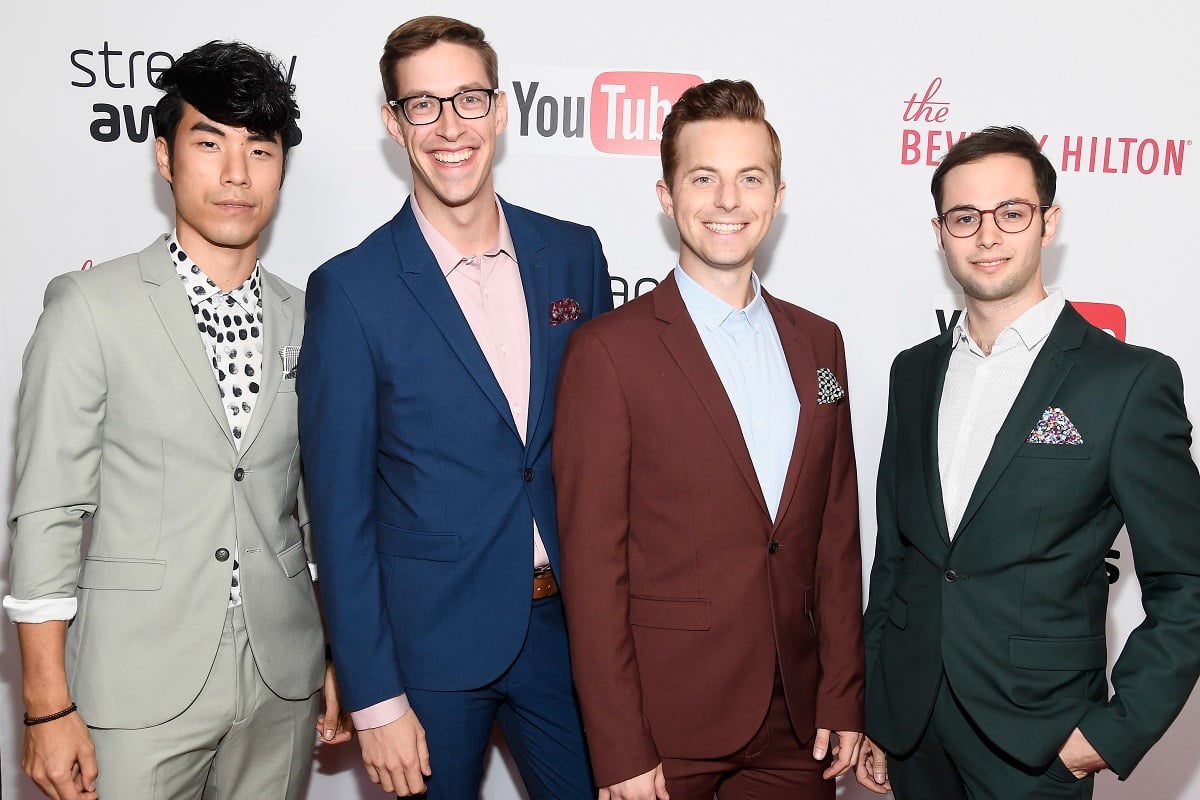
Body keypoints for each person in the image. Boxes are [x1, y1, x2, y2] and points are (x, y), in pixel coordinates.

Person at [6, 40, 349, 800]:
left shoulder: (311, 315)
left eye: (259, 150)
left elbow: (315, 507)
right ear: (165, 158)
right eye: (208, 144)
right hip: (134, 686)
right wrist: (43, 703)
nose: (236, 174)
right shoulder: (89, 307)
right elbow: (47, 513)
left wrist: (334, 652)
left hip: (280, 678)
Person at [296, 15, 613, 799]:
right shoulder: (353, 288)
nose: (449, 128)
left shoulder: (574, 253)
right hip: (426, 652)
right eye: (423, 105)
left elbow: (605, 456)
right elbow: (340, 515)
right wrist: (371, 695)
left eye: (468, 100)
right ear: (393, 124)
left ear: (501, 111)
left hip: (569, 634)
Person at [857, 125, 1200, 799]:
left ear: (1048, 223)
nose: (988, 236)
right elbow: (896, 557)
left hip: (1037, 747)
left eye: (1011, 213)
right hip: (912, 731)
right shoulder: (913, 373)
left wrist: (1111, 733)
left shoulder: (1126, 382)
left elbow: (1188, 581)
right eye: (965, 217)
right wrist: (875, 704)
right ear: (940, 232)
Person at [552, 78, 865, 800]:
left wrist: (845, 692)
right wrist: (620, 746)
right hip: (665, 728)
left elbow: (836, 536)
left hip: (800, 724)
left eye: (749, 178)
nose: (728, 200)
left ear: (777, 197)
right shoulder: (609, 352)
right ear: (667, 195)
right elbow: (594, 571)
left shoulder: (821, 344)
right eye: (704, 178)